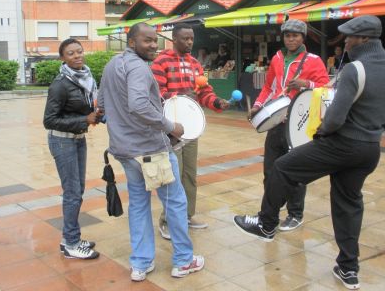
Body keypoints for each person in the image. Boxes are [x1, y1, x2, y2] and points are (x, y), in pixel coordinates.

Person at [234, 15, 385, 290]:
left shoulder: (355, 69)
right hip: (370, 149)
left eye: (350, 36)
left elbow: (336, 118)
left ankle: (267, 225)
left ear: (363, 39)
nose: (346, 42)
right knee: (348, 204)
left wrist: (320, 133)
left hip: (342, 144)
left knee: (282, 167)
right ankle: (348, 269)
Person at [98, 22, 204, 281]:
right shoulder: (137, 67)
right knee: (175, 202)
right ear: (131, 42)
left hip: (124, 150)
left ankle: (141, 263)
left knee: (138, 204)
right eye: (147, 41)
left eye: (155, 40)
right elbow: (138, 105)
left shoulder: (112, 65)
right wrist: (171, 126)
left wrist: (120, 124)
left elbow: (101, 104)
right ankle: (182, 260)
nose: (153, 45)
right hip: (150, 151)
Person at [248, 19, 329, 231]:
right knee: (270, 170)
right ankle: (271, 210)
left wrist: (306, 84)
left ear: (303, 37)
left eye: (295, 35)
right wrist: (258, 106)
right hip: (276, 121)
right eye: (287, 35)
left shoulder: (313, 60)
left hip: (298, 124)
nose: (291, 39)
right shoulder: (277, 58)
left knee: (295, 171)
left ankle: (295, 213)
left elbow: (326, 89)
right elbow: (268, 87)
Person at [151, 23, 230, 240]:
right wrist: (178, 96)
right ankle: (167, 220)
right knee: (172, 176)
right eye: (185, 39)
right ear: (174, 39)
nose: (189, 42)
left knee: (189, 175)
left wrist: (216, 102)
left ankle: (187, 215)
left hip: (191, 128)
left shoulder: (195, 63)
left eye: (191, 39)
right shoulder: (161, 62)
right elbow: (156, 93)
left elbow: (204, 92)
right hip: (171, 129)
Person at [43, 38, 101, 260]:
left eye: (79, 51)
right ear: (62, 58)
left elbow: (88, 108)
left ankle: (71, 237)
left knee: (78, 190)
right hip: (62, 141)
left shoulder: (85, 79)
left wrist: (97, 115)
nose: (77, 56)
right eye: (71, 53)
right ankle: (71, 243)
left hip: (77, 139)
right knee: (73, 193)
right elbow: (49, 120)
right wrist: (84, 119)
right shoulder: (60, 84)